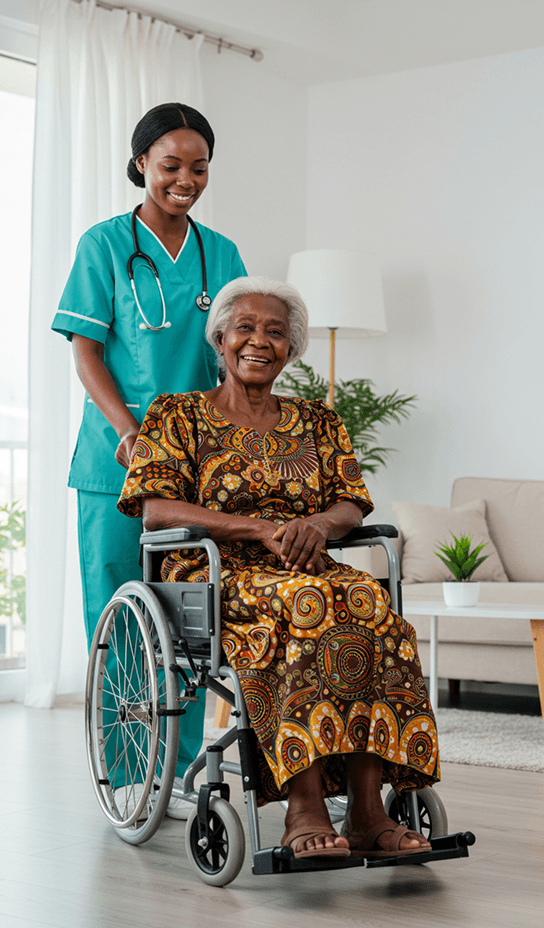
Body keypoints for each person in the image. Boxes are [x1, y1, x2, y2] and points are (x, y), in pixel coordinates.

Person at [117, 276, 440, 859]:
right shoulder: (178, 415)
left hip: (306, 564)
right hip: (214, 571)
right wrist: (262, 529)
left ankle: (368, 812)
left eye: (276, 332)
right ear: (220, 339)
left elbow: (351, 501)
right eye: (245, 328)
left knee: (371, 605)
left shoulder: (317, 421)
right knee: (306, 607)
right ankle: (304, 807)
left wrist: (317, 526)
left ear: (291, 348)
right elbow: (154, 507)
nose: (259, 341)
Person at [51, 103, 247, 805]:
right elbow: (87, 351)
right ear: (141, 165)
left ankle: (188, 768)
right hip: (113, 465)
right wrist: (129, 431)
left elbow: (234, 353)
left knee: (190, 617)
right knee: (118, 613)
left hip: (191, 470)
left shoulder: (220, 255)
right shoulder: (104, 244)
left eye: (198, 168)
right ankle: (132, 772)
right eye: (171, 166)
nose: (185, 180)